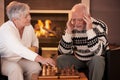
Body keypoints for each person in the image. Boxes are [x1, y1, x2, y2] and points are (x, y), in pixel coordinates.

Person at [0, 1, 55, 80]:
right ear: (15, 19)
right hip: (4, 60)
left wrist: (35, 47)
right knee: (15, 69)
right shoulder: (6, 29)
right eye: (26, 16)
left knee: (35, 67)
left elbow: (35, 40)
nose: (30, 18)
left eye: (29, 14)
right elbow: (18, 48)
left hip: (19, 59)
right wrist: (42, 59)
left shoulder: (28, 27)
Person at [56, 3, 109, 80]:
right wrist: (68, 32)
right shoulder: (71, 25)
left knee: (98, 60)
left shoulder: (100, 26)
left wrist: (90, 31)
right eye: (74, 19)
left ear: (88, 17)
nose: (76, 24)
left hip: (93, 59)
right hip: (78, 59)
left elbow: (99, 52)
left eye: (80, 20)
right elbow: (64, 52)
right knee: (61, 59)